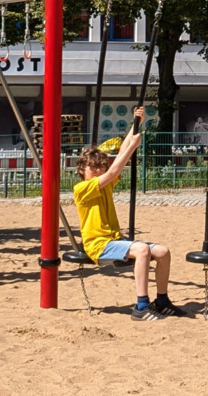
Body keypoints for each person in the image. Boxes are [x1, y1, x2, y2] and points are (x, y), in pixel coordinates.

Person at [71, 107, 184, 320]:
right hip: (98, 243)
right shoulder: (82, 189)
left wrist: (136, 123)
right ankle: (141, 306)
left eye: (99, 167)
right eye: (91, 168)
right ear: (82, 171)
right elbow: (115, 168)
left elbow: (117, 162)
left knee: (162, 252)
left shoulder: (105, 184)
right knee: (141, 250)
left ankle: (161, 300)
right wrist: (132, 147)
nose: (96, 171)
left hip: (114, 239)